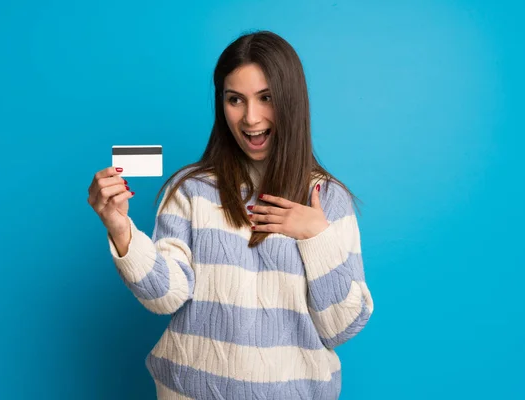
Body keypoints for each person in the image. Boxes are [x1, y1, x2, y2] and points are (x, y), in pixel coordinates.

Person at [87, 30, 373, 400]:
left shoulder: (328, 200)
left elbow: (342, 328)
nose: (250, 118)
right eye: (235, 99)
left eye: (266, 98)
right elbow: (166, 297)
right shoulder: (190, 189)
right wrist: (120, 229)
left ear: (291, 101)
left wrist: (316, 238)